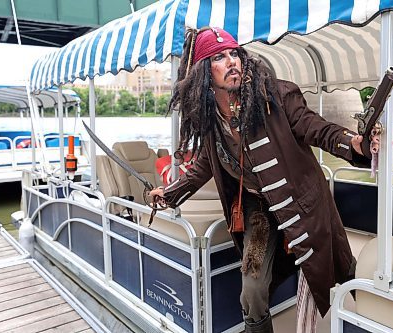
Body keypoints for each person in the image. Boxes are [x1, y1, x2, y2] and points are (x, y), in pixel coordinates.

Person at [150, 27, 376, 333]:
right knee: (252, 293)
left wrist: (355, 144)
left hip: (301, 203)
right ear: (204, 72)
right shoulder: (211, 119)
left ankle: (369, 322)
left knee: (340, 270)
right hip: (258, 214)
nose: (231, 61)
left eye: (234, 53)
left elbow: (317, 129)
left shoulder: (278, 96)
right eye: (219, 57)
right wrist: (170, 193)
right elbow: (203, 166)